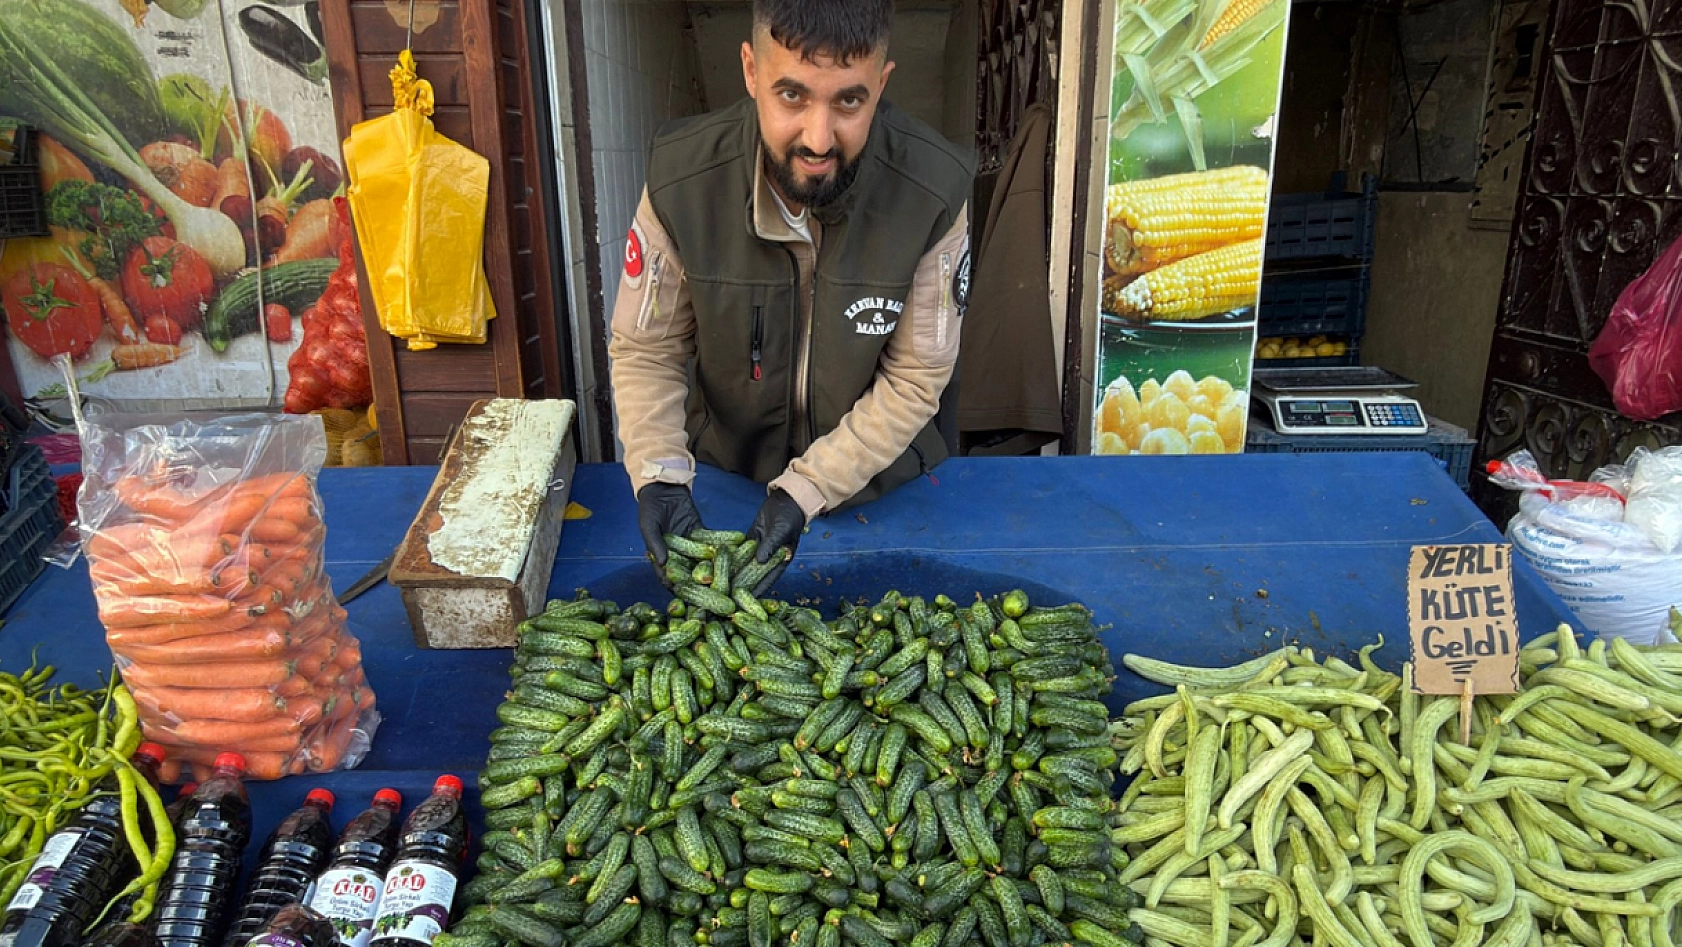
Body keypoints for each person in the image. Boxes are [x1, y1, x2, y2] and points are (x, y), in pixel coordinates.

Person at [609, 0, 976, 592]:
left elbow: (916, 377)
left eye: (849, 100)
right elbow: (647, 348)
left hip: (882, 491)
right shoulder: (680, 180)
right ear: (751, 72)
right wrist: (659, 475)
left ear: (882, 84)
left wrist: (806, 491)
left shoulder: (933, 192)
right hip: (726, 479)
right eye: (792, 96)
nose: (818, 137)